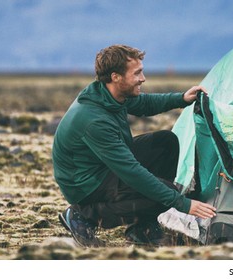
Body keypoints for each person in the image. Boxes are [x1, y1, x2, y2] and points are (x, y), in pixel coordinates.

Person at [52, 44, 216, 247]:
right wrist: (182, 204)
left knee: (166, 142)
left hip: (101, 166)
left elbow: (143, 104)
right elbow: (132, 172)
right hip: (85, 184)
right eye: (137, 73)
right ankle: (84, 215)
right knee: (161, 193)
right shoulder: (94, 120)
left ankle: (141, 228)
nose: (143, 78)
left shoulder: (109, 95)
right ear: (116, 77)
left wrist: (181, 99)